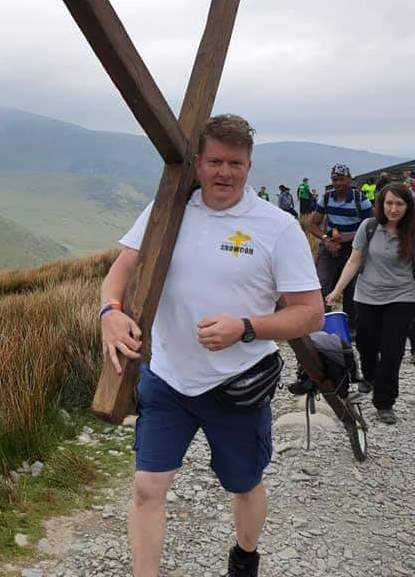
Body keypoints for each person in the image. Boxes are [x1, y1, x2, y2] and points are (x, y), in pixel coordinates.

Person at [99, 114, 323, 577]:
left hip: (236, 386)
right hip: (168, 380)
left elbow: (310, 312)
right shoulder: (167, 209)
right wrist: (110, 312)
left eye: (235, 163)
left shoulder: (277, 227)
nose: (225, 172)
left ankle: (244, 557)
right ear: (198, 164)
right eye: (216, 161)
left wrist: (245, 327)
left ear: (249, 167)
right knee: (146, 489)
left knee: (244, 485)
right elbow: (120, 270)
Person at [324, 183, 415, 424]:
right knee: (366, 345)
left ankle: (385, 402)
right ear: (381, 204)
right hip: (366, 297)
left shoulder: (412, 231)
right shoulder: (369, 226)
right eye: (389, 203)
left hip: (402, 297)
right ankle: (371, 377)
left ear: (408, 206)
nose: (394, 209)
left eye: (399, 204)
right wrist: (337, 291)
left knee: (393, 351)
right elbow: (354, 260)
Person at [308, 164, 373, 331]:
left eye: (342, 179)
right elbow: (313, 224)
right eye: (335, 179)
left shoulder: (360, 200)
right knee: (323, 283)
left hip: (353, 249)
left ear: (349, 180)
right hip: (330, 247)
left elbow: (371, 226)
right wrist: (326, 239)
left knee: (351, 289)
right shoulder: (326, 198)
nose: (338, 183)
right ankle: (323, 324)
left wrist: (349, 237)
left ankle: (351, 327)